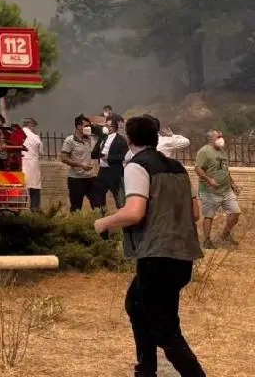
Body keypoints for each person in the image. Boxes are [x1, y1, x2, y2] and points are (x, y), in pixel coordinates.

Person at [94, 115, 205, 377]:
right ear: (156, 136)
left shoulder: (136, 166)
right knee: (136, 304)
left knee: (165, 330)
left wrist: (104, 223)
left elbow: (134, 212)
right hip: (182, 256)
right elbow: (196, 212)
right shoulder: (178, 168)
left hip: (157, 257)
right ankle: (145, 369)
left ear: (129, 139)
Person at [195, 130, 241, 249]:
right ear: (211, 139)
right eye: (218, 136)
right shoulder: (204, 151)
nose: (222, 138)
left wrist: (233, 184)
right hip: (209, 191)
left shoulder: (222, 151)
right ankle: (206, 241)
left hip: (226, 190)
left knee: (235, 213)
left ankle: (225, 234)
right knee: (209, 215)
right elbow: (198, 168)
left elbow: (225, 169)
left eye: (222, 136)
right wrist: (209, 179)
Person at [62, 115, 103, 211]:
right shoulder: (70, 140)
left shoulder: (90, 139)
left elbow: (103, 132)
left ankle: (98, 224)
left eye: (89, 126)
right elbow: (63, 158)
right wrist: (81, 165)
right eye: (86, 126)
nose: (88, 128)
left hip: (90, 178)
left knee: (98, 205)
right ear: (78, 126)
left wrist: (93, 126)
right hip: (76, 179)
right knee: (76, 208)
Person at [95, 118, 130, 209]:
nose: (105, 127)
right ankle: (102, 214)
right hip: (102, 171)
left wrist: (109, 157)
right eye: (105, 125)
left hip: (114, 171)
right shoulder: (103, 138)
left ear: (113, 127)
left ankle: (122, 216)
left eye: (107, 125)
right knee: (98, 193)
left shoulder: (120, 140)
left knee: (118, 196)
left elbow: (124, 156)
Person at [21, 117, 44, 211]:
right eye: (34, 126)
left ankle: (19, 207)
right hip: (32, 163)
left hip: (20, 163)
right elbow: (41, 151)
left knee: (21, 187)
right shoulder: (35, 137)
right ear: (30, 125)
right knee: (34, 187)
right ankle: (35, 207)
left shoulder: (17, 134)